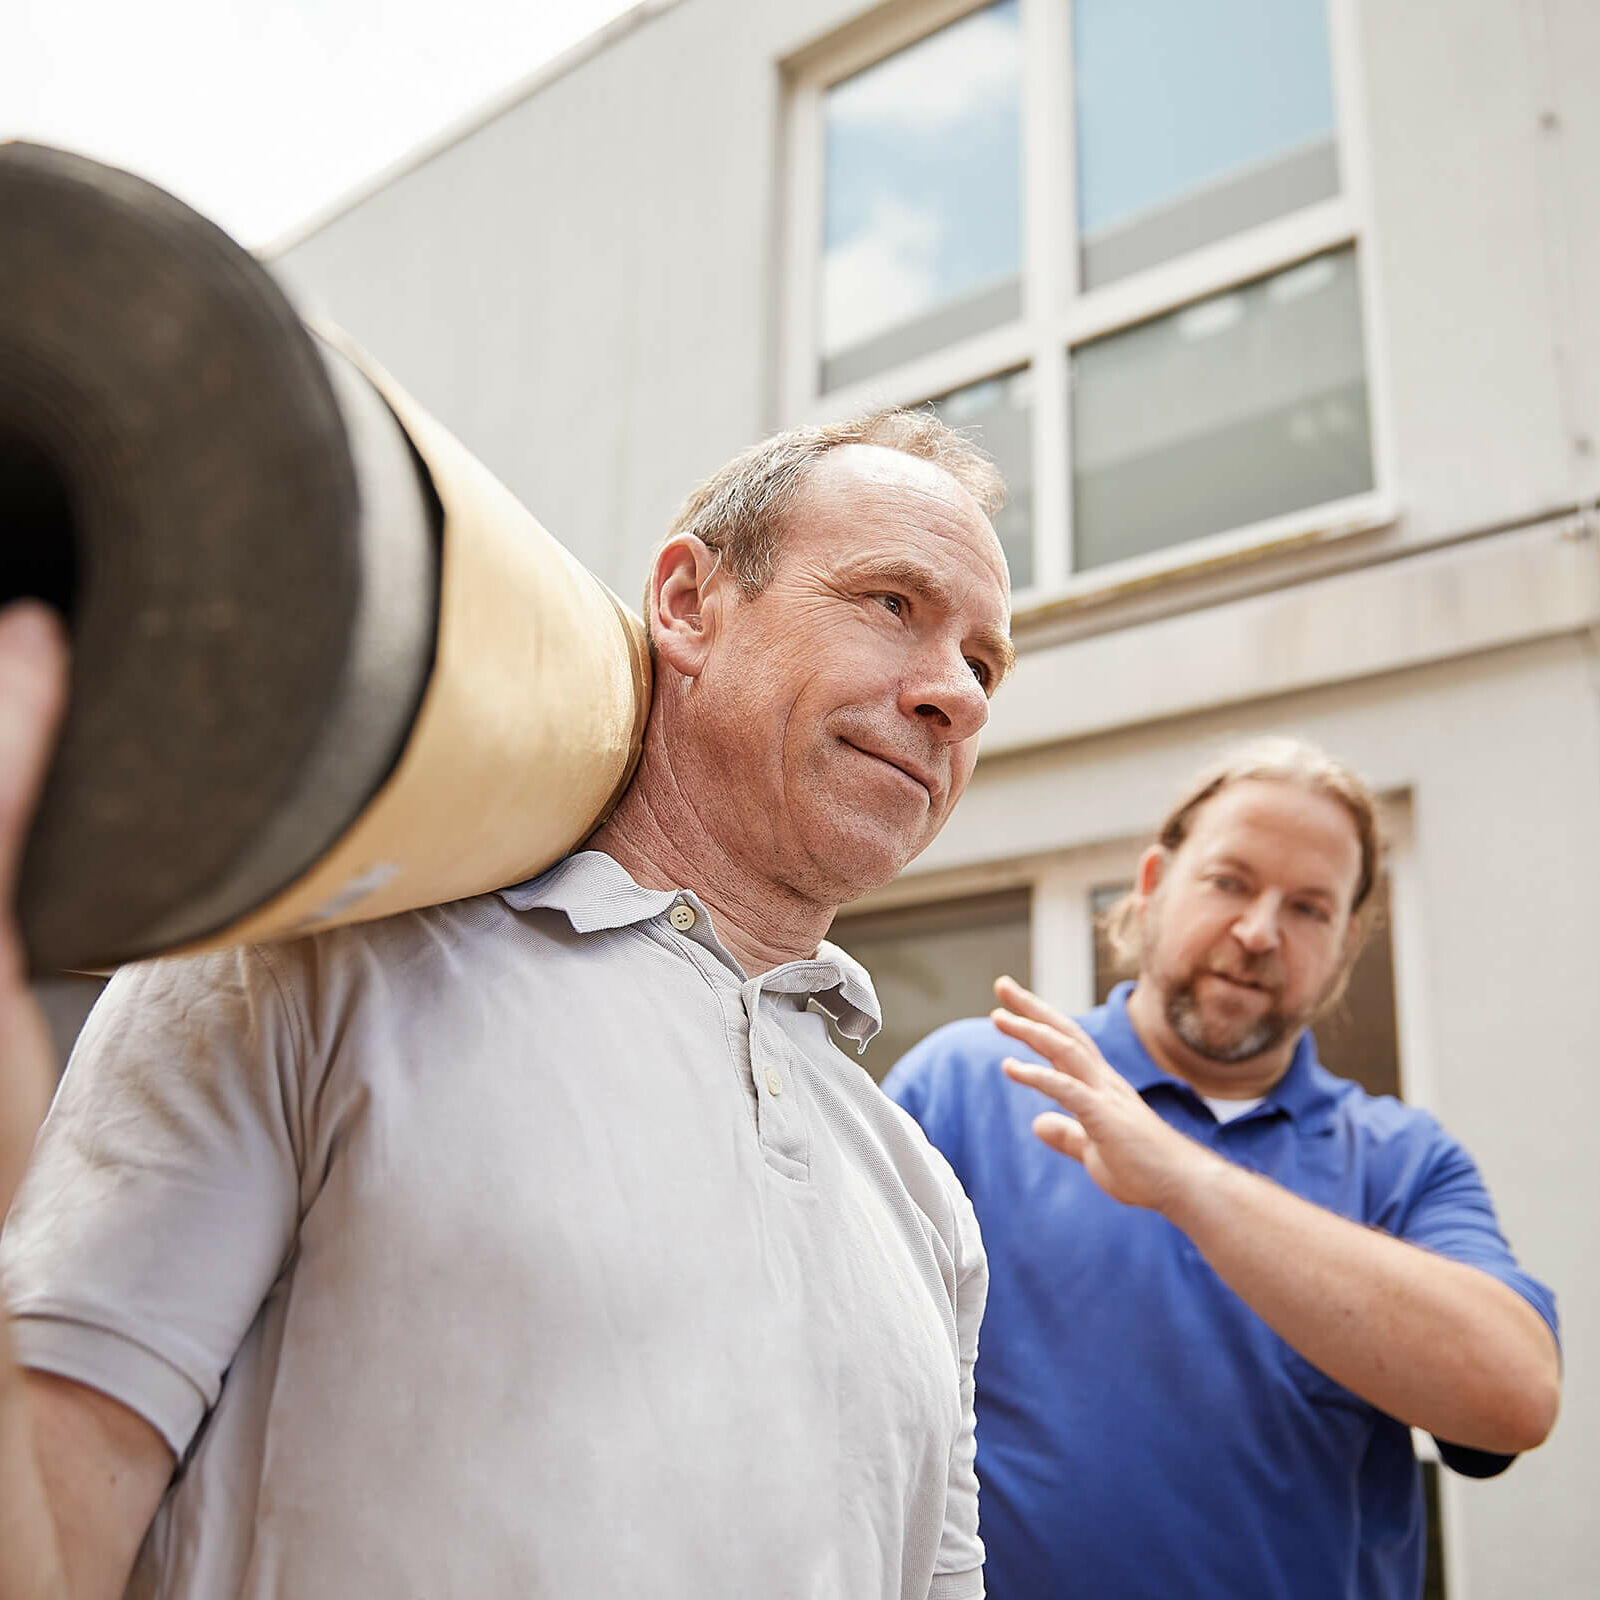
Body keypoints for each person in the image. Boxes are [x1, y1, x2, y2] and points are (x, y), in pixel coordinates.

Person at [0, 409, 1017, 1600]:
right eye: (891, 602)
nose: (958, 694)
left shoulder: (922, 1197)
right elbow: (51, 1529)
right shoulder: (308, 961)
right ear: (688, 604)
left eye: (986, 663)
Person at [884, 740, 1561, 1600]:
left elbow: (1515, 1398)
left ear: (1348, 940)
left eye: (1309, 908)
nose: (1257, 932)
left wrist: (1182, 1177)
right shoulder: (974, 1083)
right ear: (1154, 882)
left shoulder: (1403, 1162)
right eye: (1230, 882)